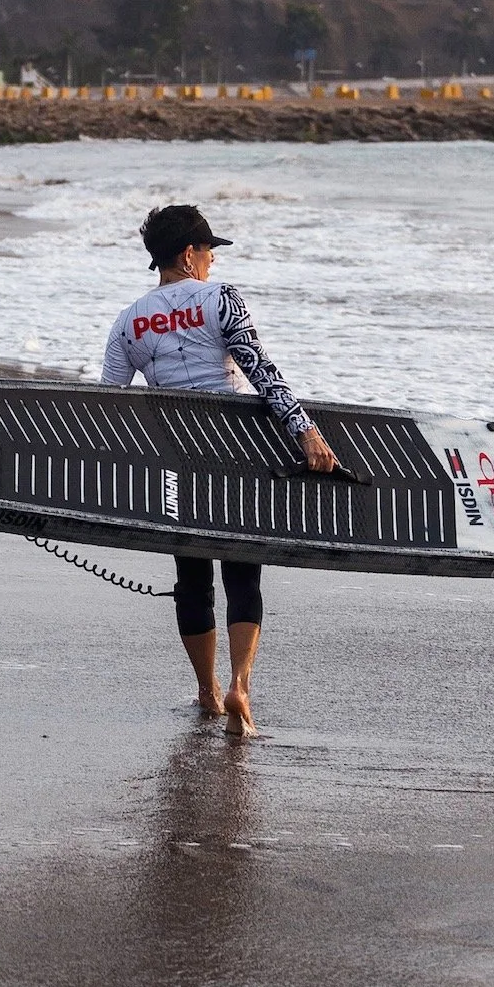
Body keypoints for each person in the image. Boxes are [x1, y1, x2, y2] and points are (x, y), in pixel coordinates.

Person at [100, 203, 338, 737]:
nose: (209, 260)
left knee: (191, 578)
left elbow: (110, 405)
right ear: (189, 253)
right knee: (242, 572)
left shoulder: (129, 320)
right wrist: (307, 432)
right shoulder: (220, 298)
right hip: (237, 457)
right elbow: (263, 374)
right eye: (207, 250)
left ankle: (207, 692)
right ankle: (240, 686)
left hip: (177, 463)